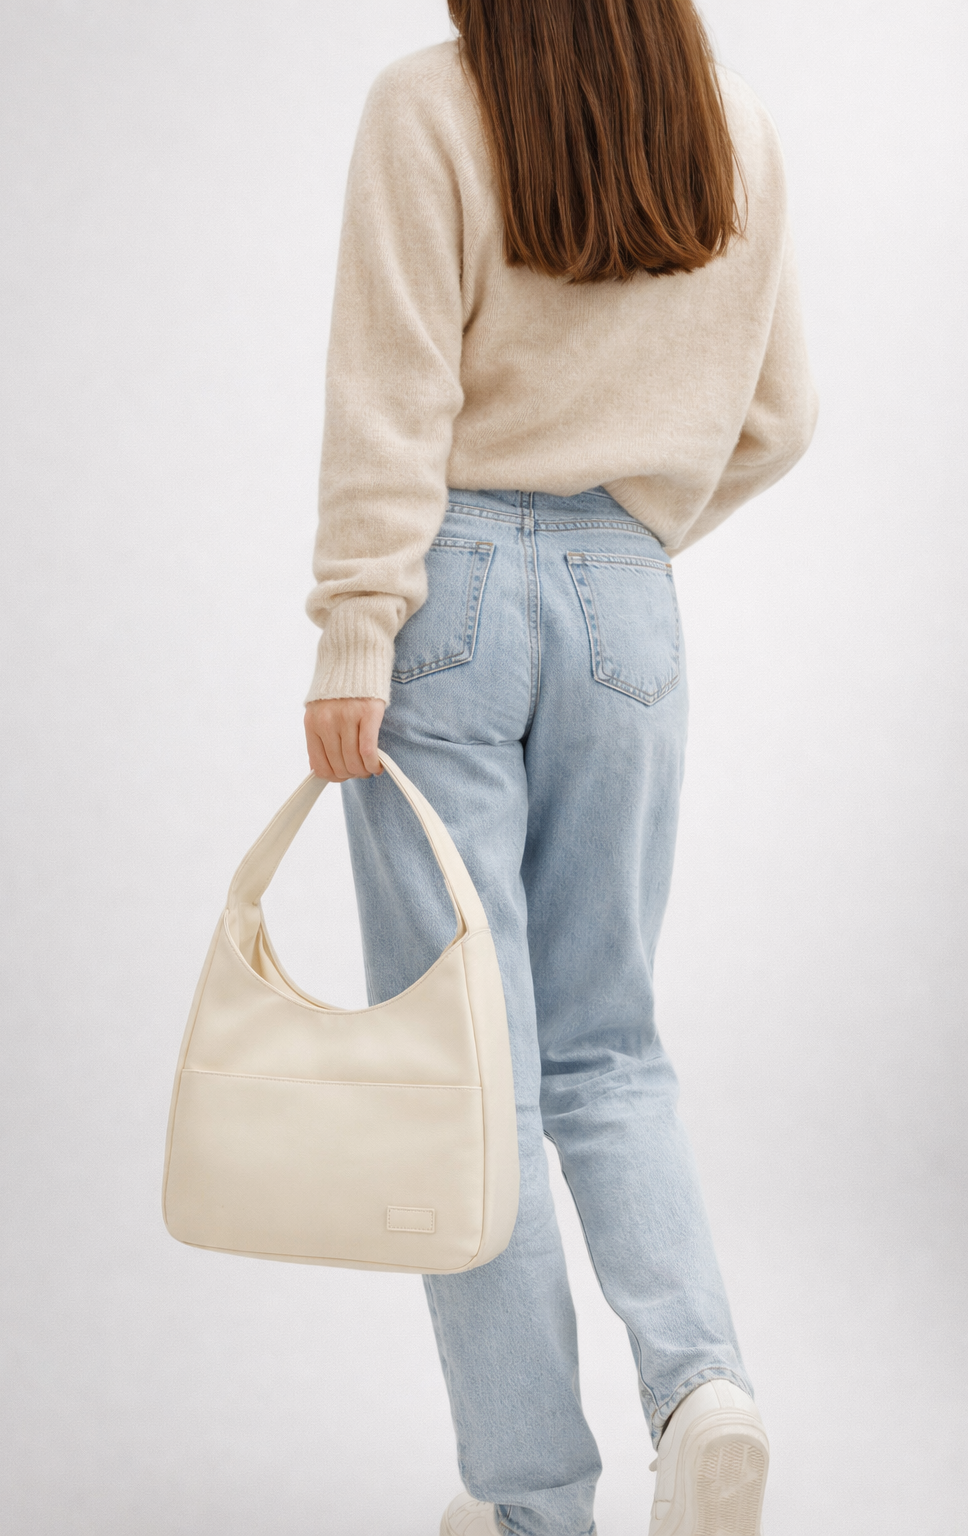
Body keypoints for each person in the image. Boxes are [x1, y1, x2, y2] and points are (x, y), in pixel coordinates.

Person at [302, 2, 816, 1532]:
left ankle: (531, 1507)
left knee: (474, 1078)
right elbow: (783, 418)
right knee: (609, 1046)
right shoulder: (730, 125)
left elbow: (393, 388)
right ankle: (703, 1391)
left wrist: (355, 628)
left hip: (448, 593)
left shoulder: (426, 105)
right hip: (628, 601)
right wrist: (625, 544)